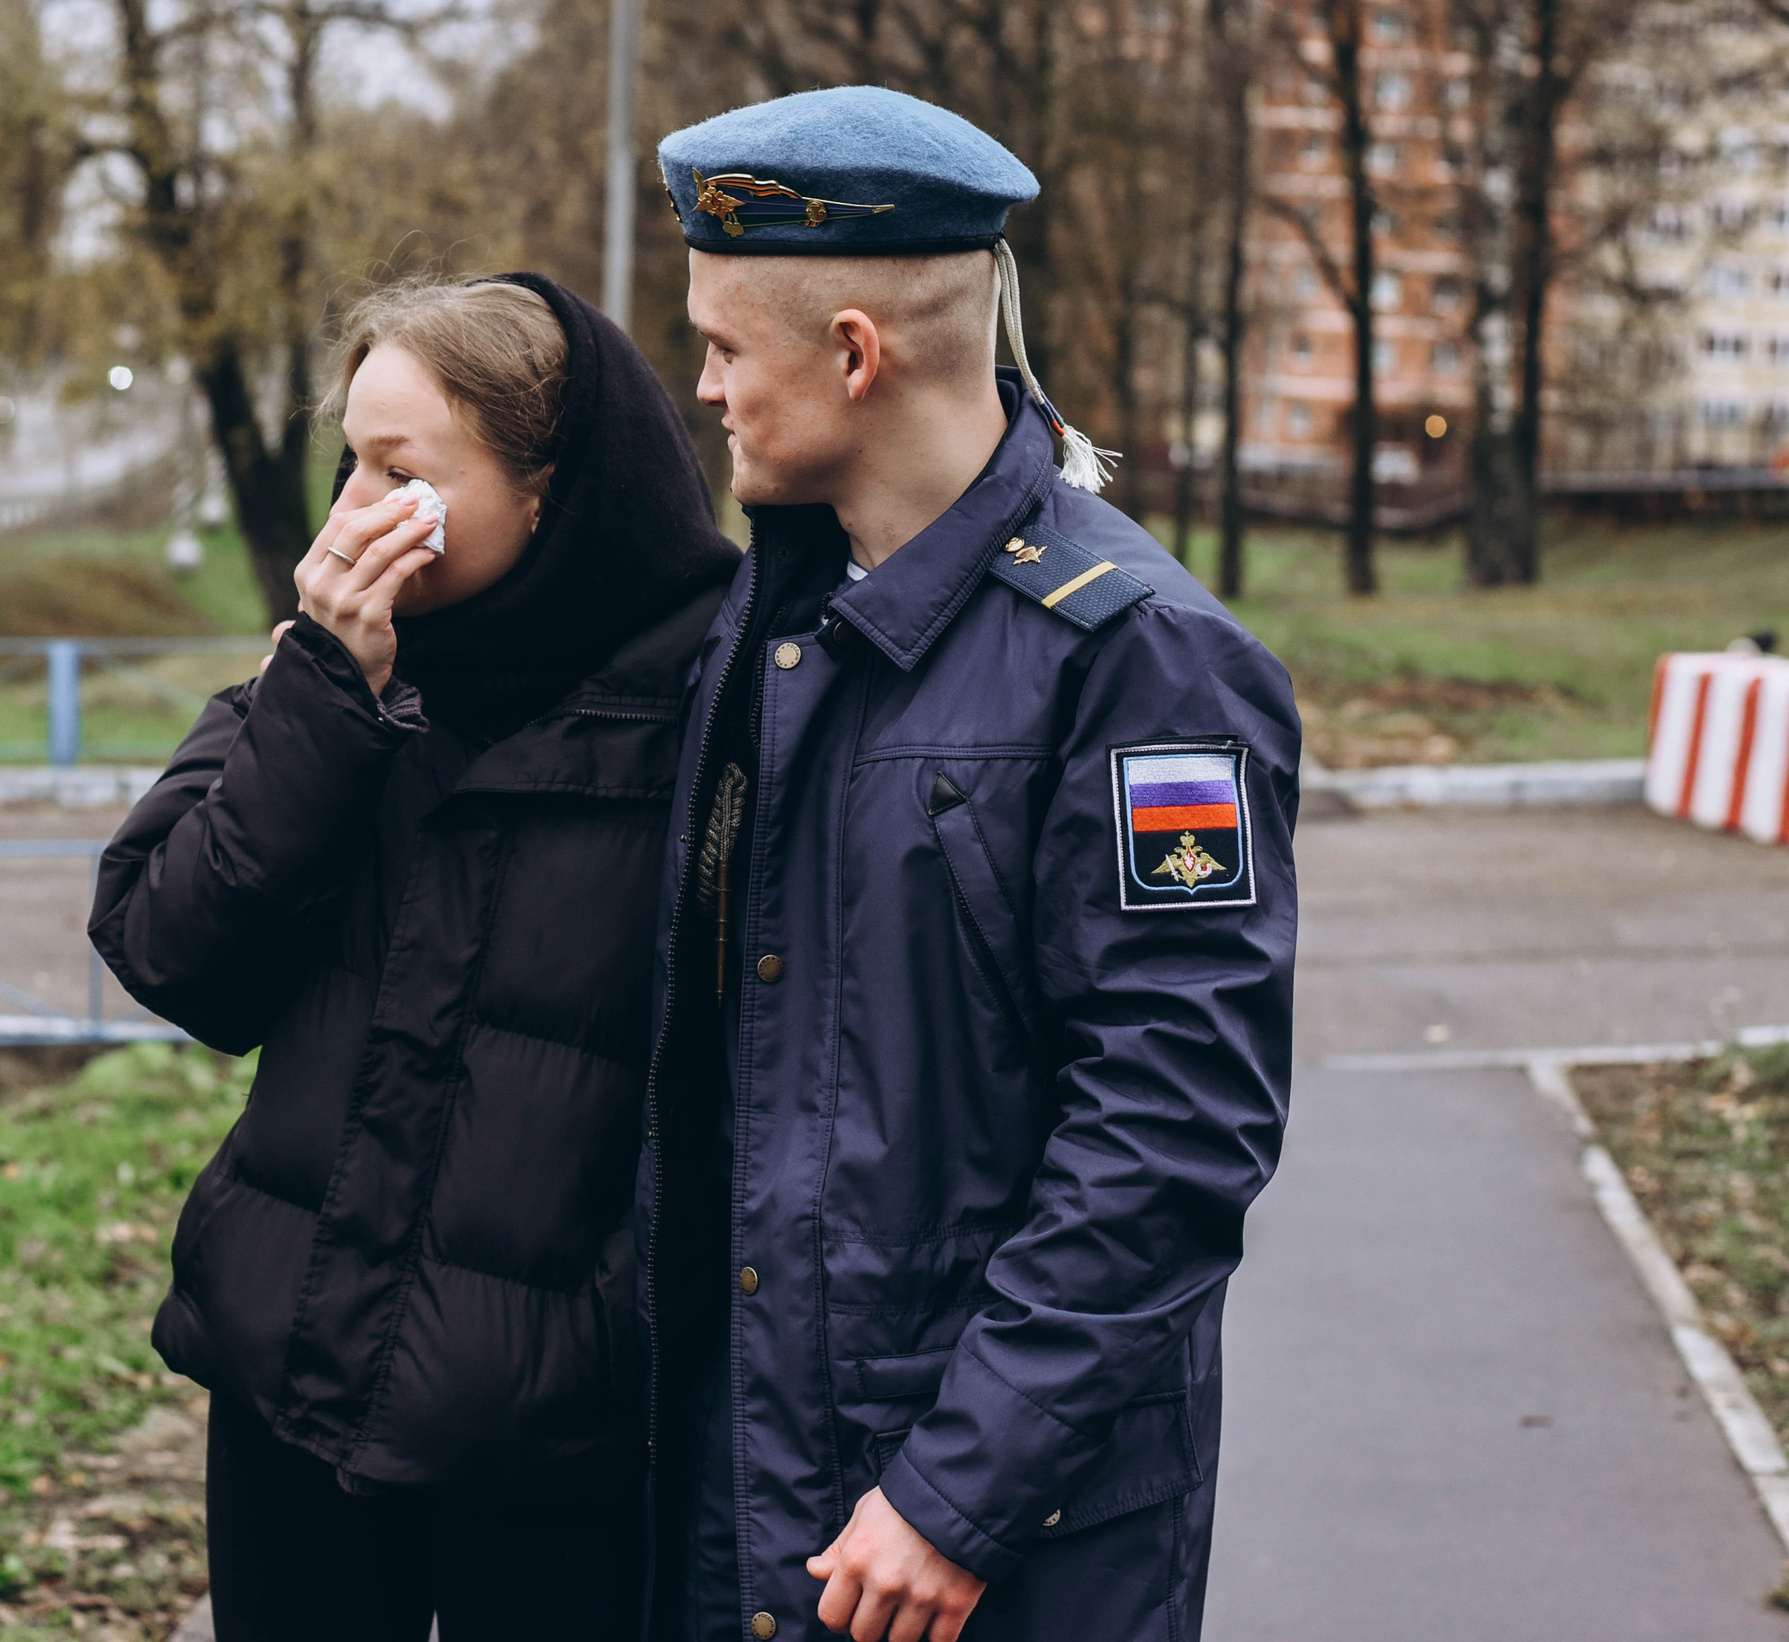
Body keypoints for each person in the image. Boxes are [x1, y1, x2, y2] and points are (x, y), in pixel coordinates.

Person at [637, 88, 1302, 1642]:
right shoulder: (778, 615)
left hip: (995, 1534)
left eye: (729, 347)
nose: (707, 384)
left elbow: (1175, 1122)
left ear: (856, 353)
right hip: (776, 1479)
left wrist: (960, 1488)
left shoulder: (1146, 661)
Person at [88, 272, 740, 1642]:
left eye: (401, 470)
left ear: (545, 490)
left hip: (561, 1423)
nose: (351, 514)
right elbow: (169, 952)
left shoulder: (715, 705)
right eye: (350, 466)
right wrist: (321, 703)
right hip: (292, 1384)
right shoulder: (329, 673)